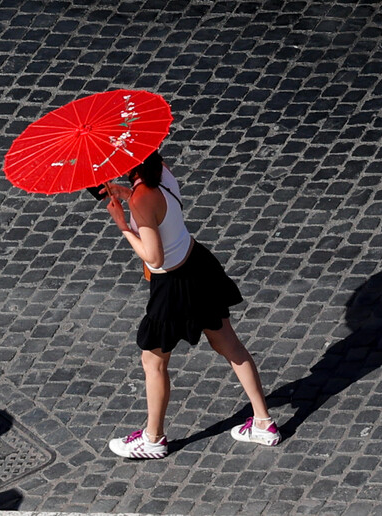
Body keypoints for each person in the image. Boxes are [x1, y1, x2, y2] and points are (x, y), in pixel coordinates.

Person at [102, 150, 280, 459]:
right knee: (229, 344)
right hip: (198, 264)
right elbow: (159, 208)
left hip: (171, 285)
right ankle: (264, 422)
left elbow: (154, 256)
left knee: (153, 362)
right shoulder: (163, 174)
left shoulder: (141, 199)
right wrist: (128, 194)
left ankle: (153, 439)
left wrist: (123, 225)